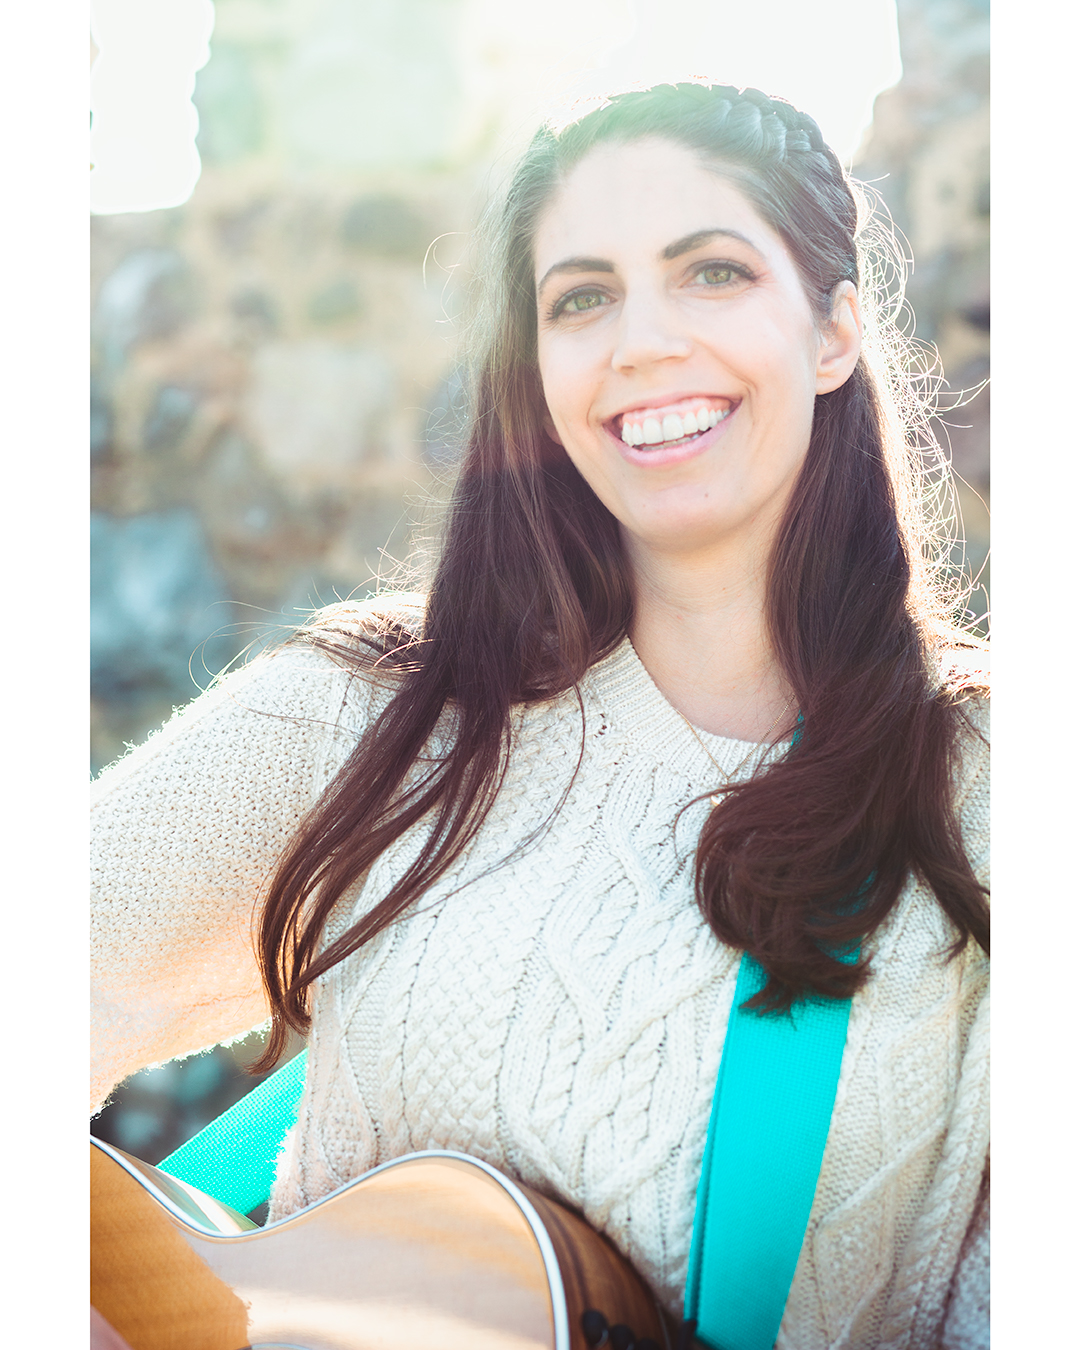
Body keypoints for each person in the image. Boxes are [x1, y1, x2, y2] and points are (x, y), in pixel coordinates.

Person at [91, 82, 989, 1348]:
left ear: (836, 330)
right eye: (581, 298)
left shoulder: (987, 800)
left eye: (712, 273)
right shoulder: (370, 714)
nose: (640, 343)